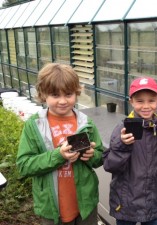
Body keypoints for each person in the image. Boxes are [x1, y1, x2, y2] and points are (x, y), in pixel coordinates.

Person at [16, 63, 104, 225]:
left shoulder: (86, 123)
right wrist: (59, 155)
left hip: (85, 204)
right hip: (51, 206)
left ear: (77, 93)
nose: (63, 101)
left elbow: (100, 157)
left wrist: (91, 155)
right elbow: (24, 165)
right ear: (43, 94)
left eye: (69, 94)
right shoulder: (35, 125)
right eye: (55, 95)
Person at [103, 77, 157, 225]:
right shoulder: (121, 129)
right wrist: (123, 146)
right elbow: (109, 165)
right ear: (131, 102)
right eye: (140, 101)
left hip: (151, 204)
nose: (146, 106)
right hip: (125, 205)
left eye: (151, 100)